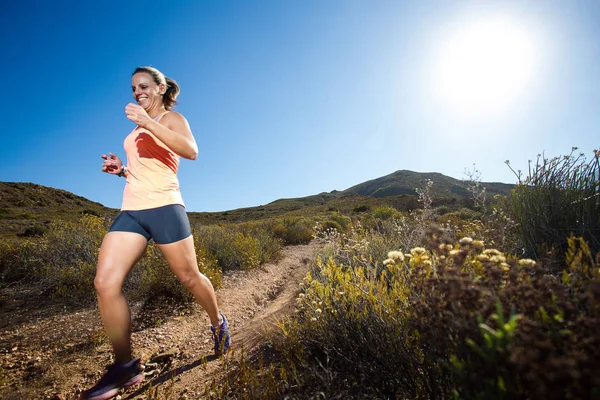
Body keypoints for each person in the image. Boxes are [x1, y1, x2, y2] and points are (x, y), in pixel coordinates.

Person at [81, 66, 230, 400]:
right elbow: (145, 169)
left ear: (161, 88)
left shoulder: (171, 120)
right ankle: (125, 366)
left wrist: (148, 122)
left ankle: (217, 321)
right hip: (131, 210)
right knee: (105, 283)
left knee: (190, 278)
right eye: (134, 88)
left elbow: (191, 152)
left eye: (144, 86)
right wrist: (121, 170)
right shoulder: (136, 130)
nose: (137, 92)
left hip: (165, 207)